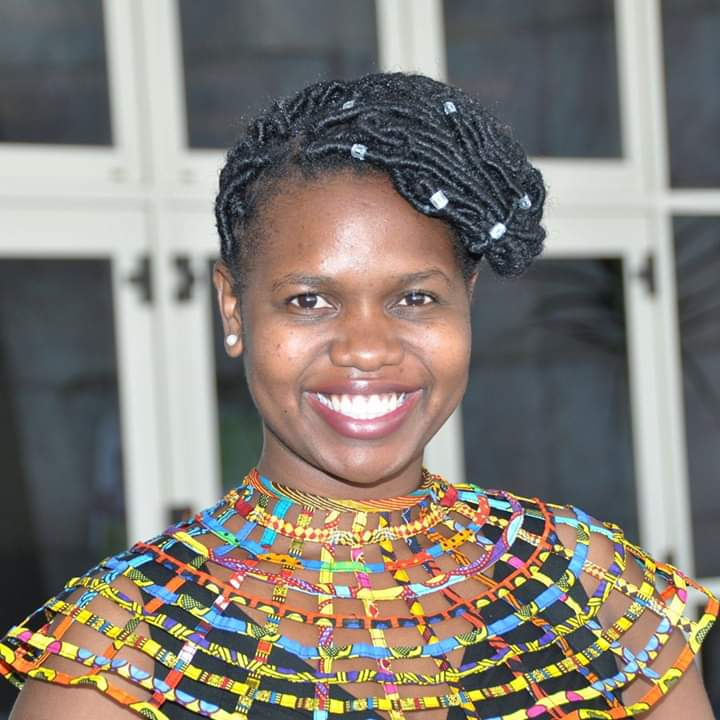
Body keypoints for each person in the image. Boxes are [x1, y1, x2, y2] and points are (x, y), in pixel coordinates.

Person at [1, 72, 717, 720]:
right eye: (309, 300)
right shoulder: (115, 652)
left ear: (466, 300)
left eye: (415, 298)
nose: (368, 349)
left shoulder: (597, 588)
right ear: (233, 308)